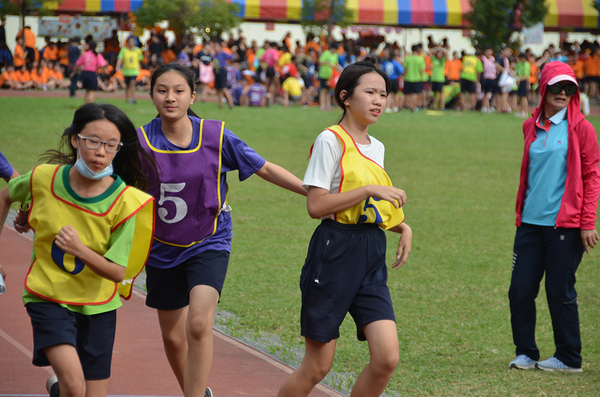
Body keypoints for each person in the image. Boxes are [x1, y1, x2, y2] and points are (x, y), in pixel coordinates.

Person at [138, 63, 306, 397]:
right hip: (160, 246)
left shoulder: (215, 136)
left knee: (199, 323)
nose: (170, 97)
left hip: (208, 241)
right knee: (172, 337)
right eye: (162, 90)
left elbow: (264, 168)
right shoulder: (139, 143)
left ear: (193, 95)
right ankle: (196, 391)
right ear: (152, 95)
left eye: (179, 91)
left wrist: (311, 191)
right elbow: (104, 186)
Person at [0, 103, 156, 397]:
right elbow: (5, 195)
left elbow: (117, 272)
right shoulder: (43, 178)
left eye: (111, 145)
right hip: (47, 296)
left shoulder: (126, 202)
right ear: (75, 140)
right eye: (93, 141)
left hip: (98, 306)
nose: (101, 152)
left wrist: (79, 250)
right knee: (74, 385)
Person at [277, 60, 412, 397]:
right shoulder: (330, 140)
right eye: (370, 92)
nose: (379, 100)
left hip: (371, 252)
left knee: (386, 358)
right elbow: (317, 205)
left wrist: (403, 227)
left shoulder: (377, 146)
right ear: (346, 97)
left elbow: (369, 207)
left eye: (383, 93)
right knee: (318, 366)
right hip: (333, 251)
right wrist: (368, 190)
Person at [508, 61, 599, 372]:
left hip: (566, 226)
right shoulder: (529, 126)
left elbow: (592, 175)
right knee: (520, 289)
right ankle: (525, 352)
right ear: (543, 88)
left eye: (569, 87)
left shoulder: (582, 128)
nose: (563, 92)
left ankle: (569, 358)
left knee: (559, 290)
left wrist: (587, 222)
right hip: (530, 223)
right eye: (557, 86)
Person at [116, 37, 143, 104]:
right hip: (126, 70)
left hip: (134, 70)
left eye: (132, 41)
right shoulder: (124, 50)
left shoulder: (138, 50)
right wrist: (117, 66)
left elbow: (140, 59)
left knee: (133, 83)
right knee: (127, 84)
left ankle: (133, 98)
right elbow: (120, 58)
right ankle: (127, 98)